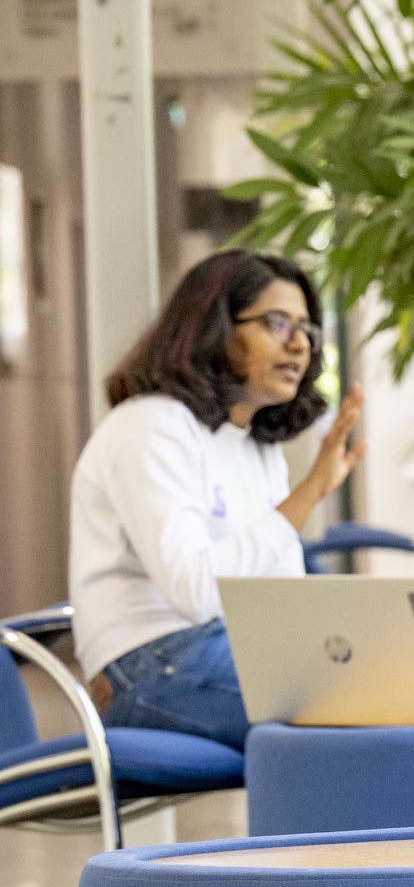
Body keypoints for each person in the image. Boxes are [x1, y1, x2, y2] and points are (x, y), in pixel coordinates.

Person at [68, 249, 365, 751]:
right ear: (216, 329)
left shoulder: (255, 448)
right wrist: (307, 493)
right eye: (277, 323)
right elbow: (197, 592)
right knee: (360, 701)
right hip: (142, 667)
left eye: (307, 330)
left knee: (389, 682)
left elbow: (278, 593)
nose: (298, 345)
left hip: (228, 647)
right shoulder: (151, 427)